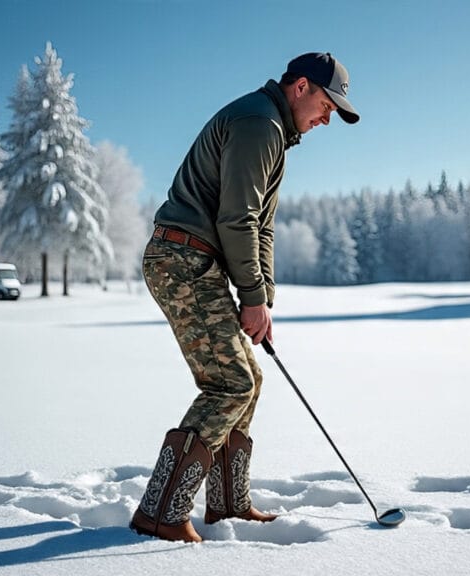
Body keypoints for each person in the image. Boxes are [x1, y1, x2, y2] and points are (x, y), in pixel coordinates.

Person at [130, 52, 359, 543]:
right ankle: (160, 513)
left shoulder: (273, 128)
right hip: (182, 259)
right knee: (230, 382)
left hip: (199, 261)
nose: (327, 118)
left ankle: (228, 505)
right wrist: (251, 295)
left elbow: (262, 227)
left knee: (248, 378)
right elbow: (238, 219)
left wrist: (262, 299)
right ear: (300, 87)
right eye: (326, 104)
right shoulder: (260, 123)